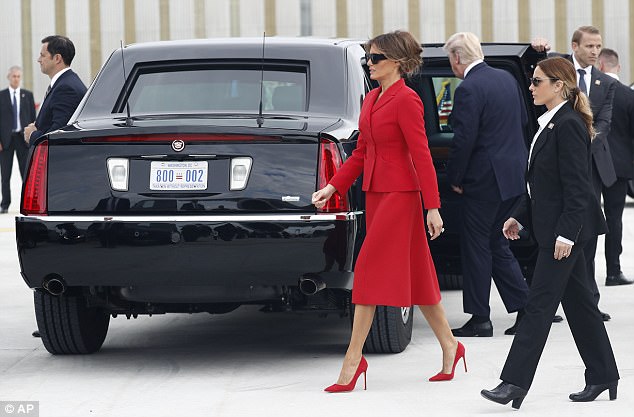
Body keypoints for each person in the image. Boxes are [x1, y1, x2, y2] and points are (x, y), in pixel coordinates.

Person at [312, 30, 465, 392]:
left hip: (401, 196)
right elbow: (362, 152)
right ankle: (450, 345)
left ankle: (353, 359)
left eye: (376, 57)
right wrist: (334, 186)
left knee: (366, 271)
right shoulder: (371, 98)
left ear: (398, 62)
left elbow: (422, 155)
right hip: (376, 194)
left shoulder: (407, 100)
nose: (370, 62)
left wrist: (433, 206)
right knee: (419, 276)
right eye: (369, 56)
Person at [481, 57, 619, 410]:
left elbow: (577, 187)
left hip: (565, 234)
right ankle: (604, 374)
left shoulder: (568, 124)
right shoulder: (550, 122)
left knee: (538, 306)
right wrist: (518, 216)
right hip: (555, 229)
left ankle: (513, 383)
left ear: (559, 85)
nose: (531, 87)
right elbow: (541, 185)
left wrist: (566, 235)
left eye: (537, 81)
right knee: (581, 306)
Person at [443, 32, 529, 337]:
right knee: (496, 242)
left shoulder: (468, 88)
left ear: (457, 57)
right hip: (512, 177)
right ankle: (526, 309)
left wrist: (455, 178)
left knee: (476, 246)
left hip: (484, 180)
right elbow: (523, 123)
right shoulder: (507, 78)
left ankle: (480, 318)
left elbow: (464, 139)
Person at [532, 26, 618, 321]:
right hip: (563, 168)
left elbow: (602, 123)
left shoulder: (606, 83)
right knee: (575, 242)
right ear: (575, 46)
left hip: (590, 165)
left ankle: (589, 301)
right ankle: (585, 305)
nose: (595, 51)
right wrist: (536, 49)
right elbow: (535, 73)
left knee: (585, 238)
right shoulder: (556, 69)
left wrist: (576, 146)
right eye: (590, 45)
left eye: (598, 46)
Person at [596, 48, 634, 287]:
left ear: (600, 66)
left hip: (592, 163)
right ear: (618, 67)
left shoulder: (592, 92)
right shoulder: (629, 95)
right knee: (614, 219)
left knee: (585, 217)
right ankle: (613, 271)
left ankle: (585, 273)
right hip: (619, 166)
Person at [24, 35, 87, 146]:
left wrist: (32, 135)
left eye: (43, 55)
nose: (39, 60)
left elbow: (58, 135)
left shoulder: (66, 88)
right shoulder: (65, 83)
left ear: (57, 58)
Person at [0, 66, 35, 213]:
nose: (16, 79)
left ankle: (28, 203)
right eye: (14, 76)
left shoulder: (28, 95)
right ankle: (5, 204)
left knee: (26, 173)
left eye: (18, 76)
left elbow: (33, 118)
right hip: (5, 140)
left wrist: (32, 138)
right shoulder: (1, 96)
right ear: (9, 77)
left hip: (23, 139)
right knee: (5, 174)